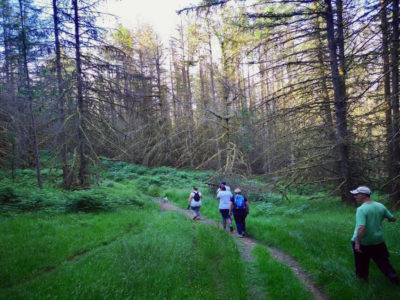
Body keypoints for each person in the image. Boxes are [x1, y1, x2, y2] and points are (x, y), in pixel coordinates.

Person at [350, 186, 399, 284]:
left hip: (364, 242)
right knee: (384, 262)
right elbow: (393, 219)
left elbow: (361, 228)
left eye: (357, 194)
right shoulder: (380, 206)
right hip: (378, 240)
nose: (355, 196)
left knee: (361, 264)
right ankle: (394, 279)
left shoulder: (361, 209)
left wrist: (357, 243)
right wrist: (386, 219)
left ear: (363, 195)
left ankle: (362, 281)